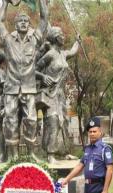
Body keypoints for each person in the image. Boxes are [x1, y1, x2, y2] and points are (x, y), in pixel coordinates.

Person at [0, 0, 48, 161]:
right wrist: (4, 3)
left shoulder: (35, 39)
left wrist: (41, 1)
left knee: (32, 120)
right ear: (16, 24)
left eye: (26, 21)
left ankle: (32, 154)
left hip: (28, 88)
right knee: (10, 121)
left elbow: (44, 19)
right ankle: (13, 155)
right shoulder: (8, 40)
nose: (24, 23)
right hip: (11, 89)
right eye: (21, 21)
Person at [62, 117, 113, 193]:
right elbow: (80, 165)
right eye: (90, 132)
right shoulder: (87, 149)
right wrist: (67, 178)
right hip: (88, 188)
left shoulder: (105, 149)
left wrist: (105, 190)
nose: (92, 134)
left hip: (98, 187)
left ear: (100, 132)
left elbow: (110, 169)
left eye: (94, 131)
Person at [36, 26, 80, 163]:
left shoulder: (63, 54)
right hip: (49, 94)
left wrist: (77, 41)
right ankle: (50, 154)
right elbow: (33, 69)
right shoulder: (50, 54)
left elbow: (73, 51)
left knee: (64, 122)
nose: (63, 36)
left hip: (60, 94)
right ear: (55, 37)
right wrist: (43, 77)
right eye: (61, 34)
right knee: (53, 121)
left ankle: (63, 152)